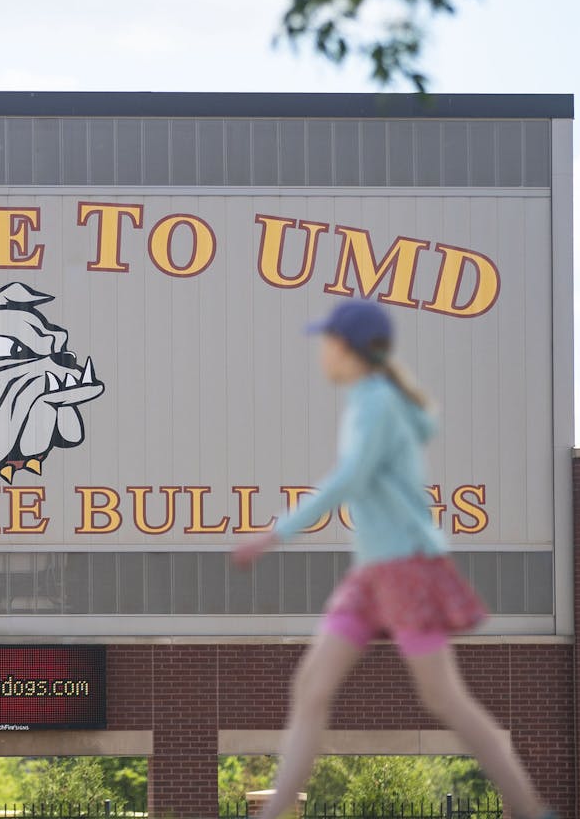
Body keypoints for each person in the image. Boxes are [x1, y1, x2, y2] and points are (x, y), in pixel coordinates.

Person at [230, 300, 555, 819]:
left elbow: (350, 477)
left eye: (328, 342)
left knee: (446, 700)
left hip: (406, 570)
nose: (321, 352)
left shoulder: (376, 402)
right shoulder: (369, 399)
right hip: (372, 576)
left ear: (350, 350)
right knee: (310, 687)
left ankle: (530, 810)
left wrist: (273, 534)